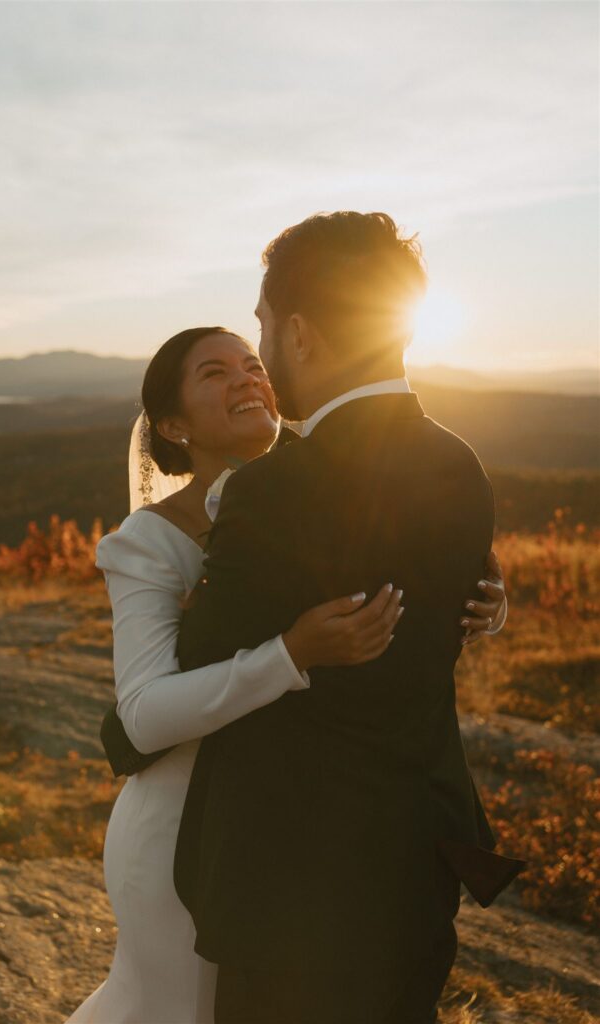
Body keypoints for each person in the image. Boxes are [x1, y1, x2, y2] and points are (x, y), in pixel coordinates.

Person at [68, 318, 508, 1021]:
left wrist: (484, 602)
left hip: (295, 823)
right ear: (174, 426)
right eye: (214, 374)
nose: (245, 377)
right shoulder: (149, 543)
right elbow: (144, 714)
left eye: (249, 362)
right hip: (186, 825)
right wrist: (290, 654)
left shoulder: (321, 491)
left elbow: (406, 573)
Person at [171, 212, 524, 1024]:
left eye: (261, 325)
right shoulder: (458, 464)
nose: (259, 348)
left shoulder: (272, 490)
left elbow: (193, 664)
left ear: (298, 333)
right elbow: (440, 624)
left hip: (288, 889)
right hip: (409, 873)